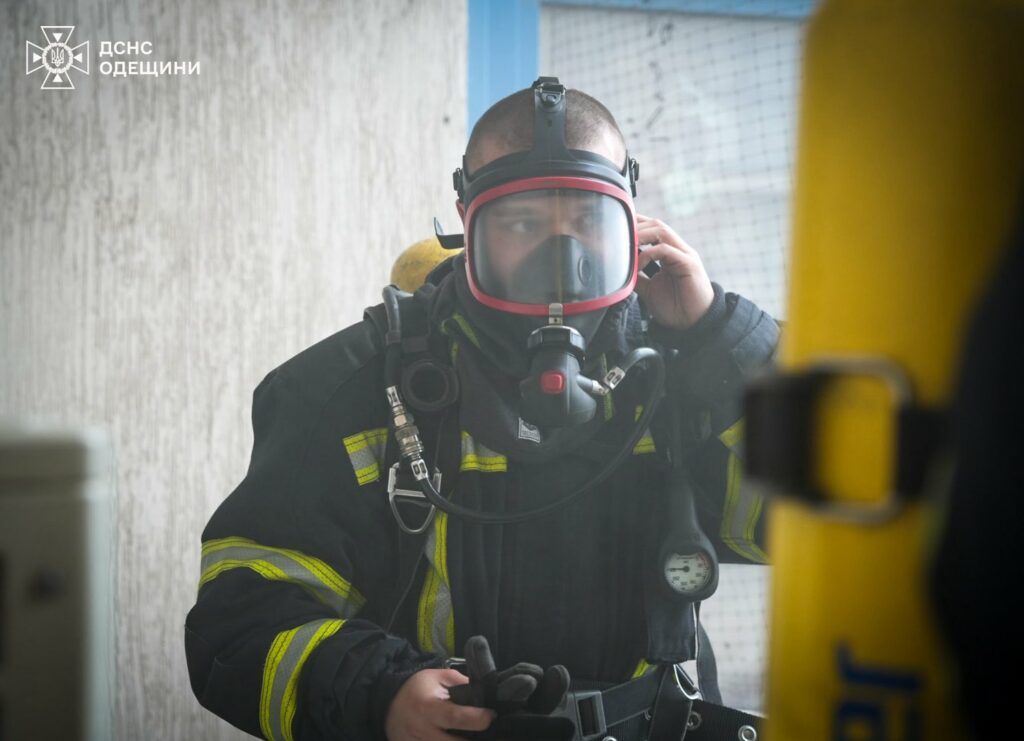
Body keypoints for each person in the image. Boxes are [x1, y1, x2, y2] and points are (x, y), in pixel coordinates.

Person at [185, 78, 779, 741]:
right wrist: (382, 694)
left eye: (587, 220)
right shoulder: (353, 391)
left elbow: (821, 522)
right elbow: (239, 625)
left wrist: (724, 342)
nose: (563, 258)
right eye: (523, 223)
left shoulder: (682, 377)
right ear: (469, 228)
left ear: (633, 227)